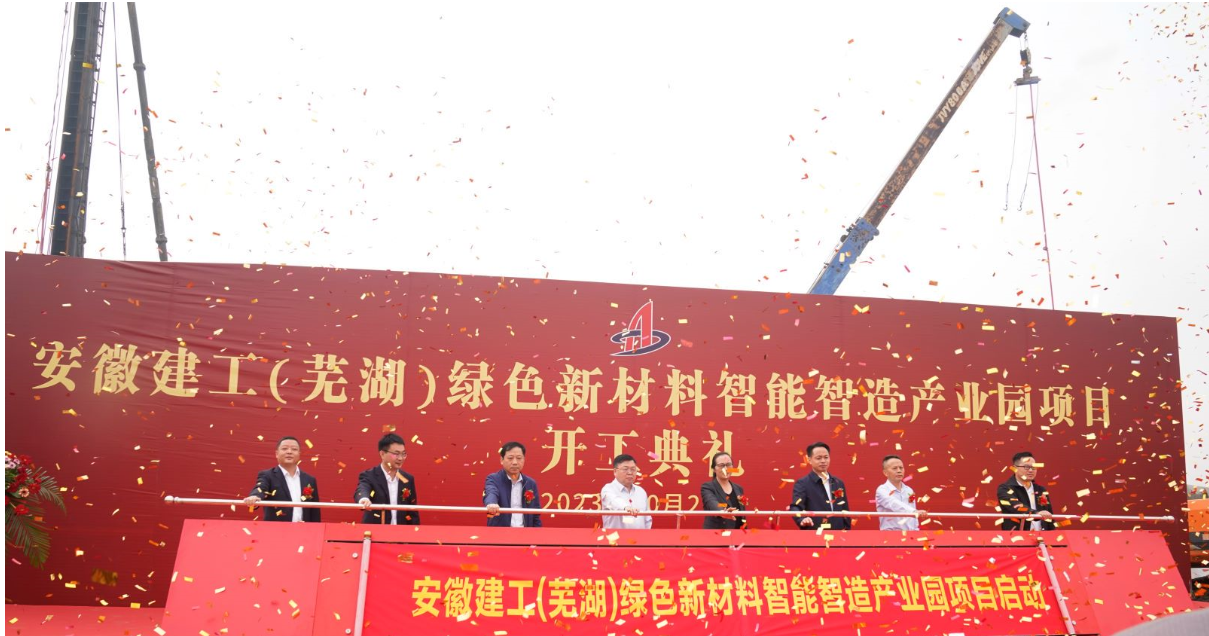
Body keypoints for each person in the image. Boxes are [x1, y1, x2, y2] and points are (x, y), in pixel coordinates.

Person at [243, 436, 321, 522]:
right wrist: (255, 496)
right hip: (276, 529)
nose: (289, 452)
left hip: (303, 528)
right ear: (276, 454)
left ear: (299, 454)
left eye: (294, 449)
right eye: (284, 449)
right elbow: (261, 488)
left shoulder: (309, 480)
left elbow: (315, 511)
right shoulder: (268, 475)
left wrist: (316, 528)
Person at [355, 433, 420, 525]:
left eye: (403, 454)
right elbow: (362, 489)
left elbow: (412, 511)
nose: (400, 458)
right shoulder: (369, 475)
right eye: (396, 454)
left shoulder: (407, 479)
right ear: (382, 454)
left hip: (401, 531)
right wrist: (364, 499)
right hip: (376, 531)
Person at [789, 442, 852, 530]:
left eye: (826, 457)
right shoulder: (803, 483)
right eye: (818, 458)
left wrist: (847, 529)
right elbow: (795, 507)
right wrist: (802, 519)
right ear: (809, 460)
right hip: (815, 532)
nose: (823, 461)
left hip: (839, 532)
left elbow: (844, 508)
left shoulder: (838, 483)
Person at [484, 441, 543, 527]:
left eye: (519, 458)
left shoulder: (530, 483)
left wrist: (537, 532)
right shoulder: (494, 479)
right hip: (501, 532)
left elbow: (536, 513)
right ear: (502, 460)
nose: (515, 462)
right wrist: (491, 503)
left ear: (524, 460)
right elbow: (491, 492)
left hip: (525, 531)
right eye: (510, 458)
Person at [997, 451, 1055, 531]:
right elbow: (1016, 507)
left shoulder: (1041, 490)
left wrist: (1052, 535)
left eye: (1034, 467)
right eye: (1026, 467)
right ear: (1015, 468)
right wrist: (1036, 514)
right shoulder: (1005, 488)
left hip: (1042, 536)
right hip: (1016, 536)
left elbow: (1047, 512)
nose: (1031, 470)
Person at [875, 454, 927, 531]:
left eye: (901, 468)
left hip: (911, 534)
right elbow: (893, 504)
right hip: (890, 535)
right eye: (894, 468)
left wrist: (916, 530)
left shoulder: (909, 490)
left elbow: (913, 509)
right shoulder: (882, 490)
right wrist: (913, 512)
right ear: (885, 473)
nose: (899, 471)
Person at [601, 454, 652, 529]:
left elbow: (647, 519)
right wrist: (626, 507)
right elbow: (614, 501)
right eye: (625, 469)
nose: (630, 473)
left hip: (640, 535)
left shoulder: (641, 491)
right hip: (616, 535)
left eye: (633, 469)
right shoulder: (608, 489)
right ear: (615, 471)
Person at [700, 452, 747, 530]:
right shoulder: (708, 487)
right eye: (721, 465)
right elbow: (713, 503)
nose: (725, 469)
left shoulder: (739, 488)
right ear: (714, 469)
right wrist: (723, 512)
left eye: (728, 465)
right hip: (717, 533)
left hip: (739, 533)